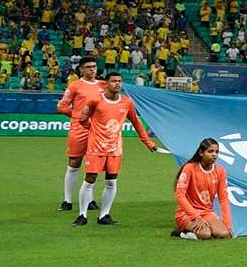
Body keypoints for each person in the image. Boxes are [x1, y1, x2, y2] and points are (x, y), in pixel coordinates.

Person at [72, 73, 160, 226]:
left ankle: (104, 215)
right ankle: (82, 215)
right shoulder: (95, 100)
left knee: (111, 181)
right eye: (113, 81)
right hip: (96, 147)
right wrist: (93, 131)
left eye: (119, 81)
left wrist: (148, 142)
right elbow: (82, 119)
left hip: (115, 149)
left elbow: (137, 123)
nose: (117, 84)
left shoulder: (126, 102)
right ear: (106, 84)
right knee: (90, 179)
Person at [56, 57, 105, 211]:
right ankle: (67, 201)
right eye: (89, 67)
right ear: (81, 69)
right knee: (74, 164)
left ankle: (89, 200)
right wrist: (79, 117)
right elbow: (62, 107)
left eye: (94, 66)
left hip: (96, 131)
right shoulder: (75, 86)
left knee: (93, 165)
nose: (92, 69)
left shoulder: (103, 86)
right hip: (79, 129)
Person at [173, 138, 233, 240]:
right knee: (205, 235)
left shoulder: (220, 171)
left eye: (216, 152)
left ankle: (203, 228)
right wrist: (196, 217)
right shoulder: (189, 168)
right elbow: (180, 195)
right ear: (201, 153)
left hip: (207, 212)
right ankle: (181, 233)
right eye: (210, 151)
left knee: (222, 233)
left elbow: (223, 200)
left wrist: (227, 223)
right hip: (186, 214)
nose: (214, 155)